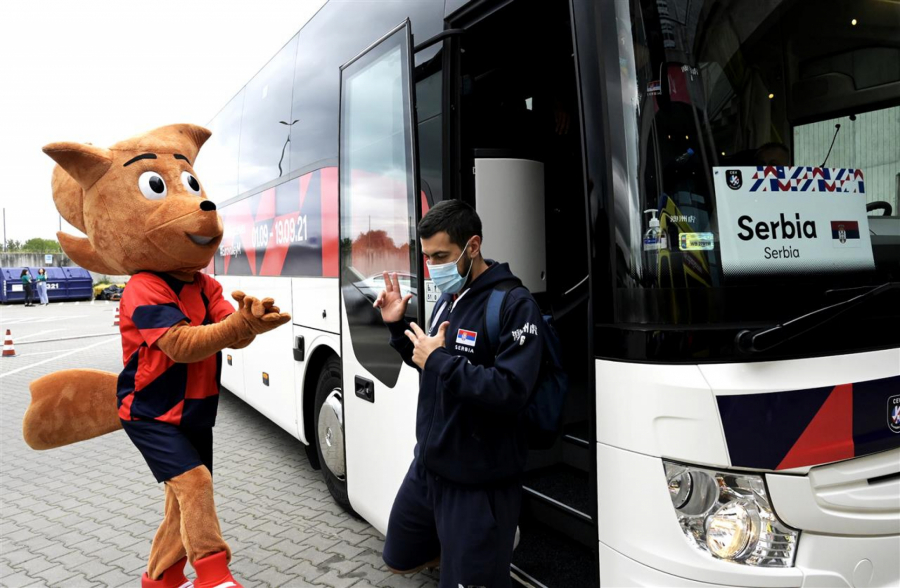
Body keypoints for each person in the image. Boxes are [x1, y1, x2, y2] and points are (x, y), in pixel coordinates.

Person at [375, 200, 544, 588]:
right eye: (427, 257)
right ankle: (473, 555)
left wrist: (439, 362)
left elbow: (511, 390)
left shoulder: (515, 305)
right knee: (399, 555)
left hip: (479, 483)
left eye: (441, 256)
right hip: (430, 468)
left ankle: (487, 549)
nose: (433, 267)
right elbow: (430, 362)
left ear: (472, 246)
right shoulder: (450, 299)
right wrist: (398, 327)